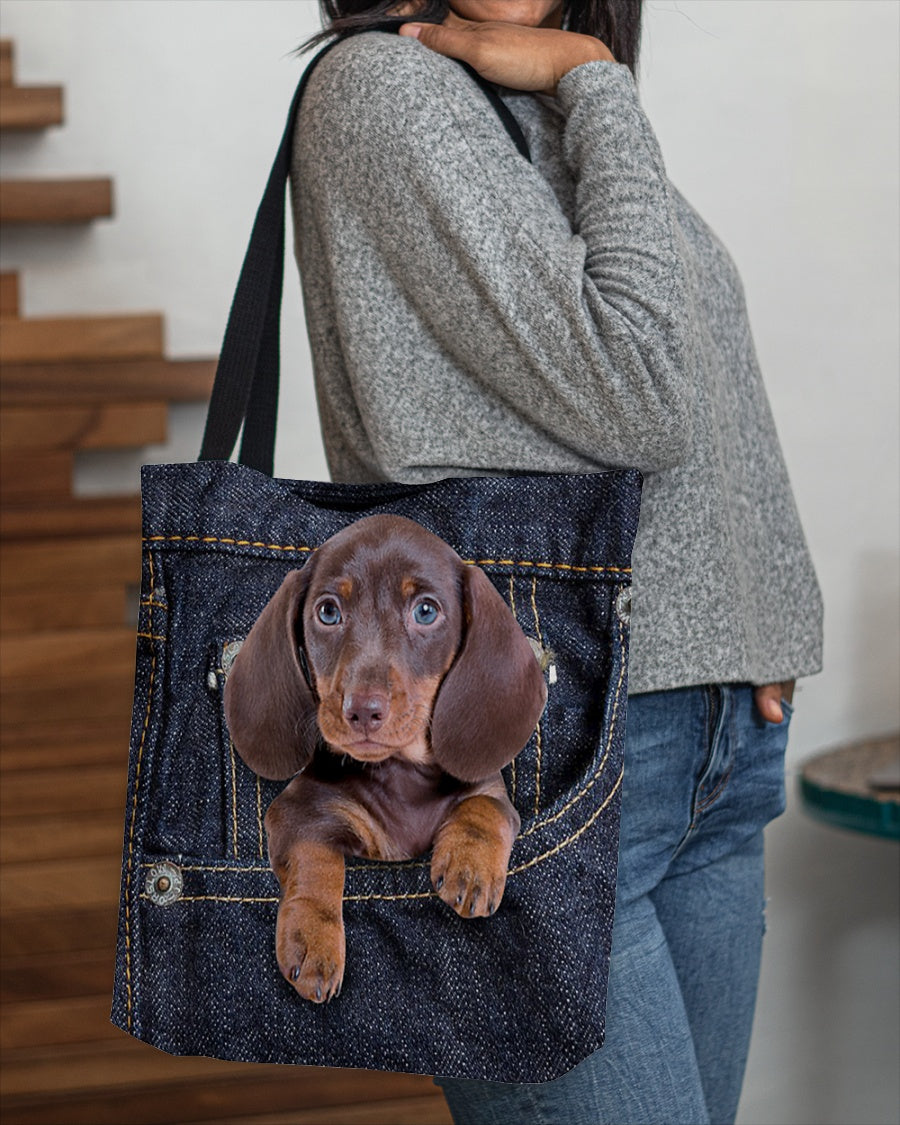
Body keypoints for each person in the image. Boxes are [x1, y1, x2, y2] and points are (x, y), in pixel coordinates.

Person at [289, 2, 824, 1122]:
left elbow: (704, 366)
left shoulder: (532, 95)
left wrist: (756, 625)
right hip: (540, 763)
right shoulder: (388, 89)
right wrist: (597, 77)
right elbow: (643, 393)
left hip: (707, 746)